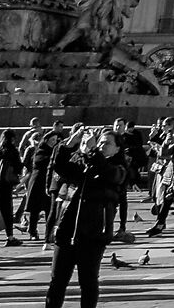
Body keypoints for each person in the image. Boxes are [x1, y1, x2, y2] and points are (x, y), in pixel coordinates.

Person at [47, 125, 131, 308]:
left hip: (93, 233)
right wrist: (70, 143)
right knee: (57, 281)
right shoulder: (84, 163)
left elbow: (109, 174)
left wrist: (93, 151)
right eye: (100, 142)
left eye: (107, 143)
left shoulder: (119, 168)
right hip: (68, 229)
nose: (102, 145)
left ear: (117, 148)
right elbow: (59, 166)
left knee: (88, 281)